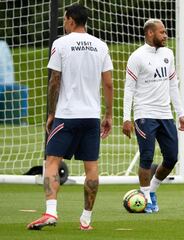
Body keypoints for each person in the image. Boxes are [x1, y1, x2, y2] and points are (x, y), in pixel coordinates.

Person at [27, 4, 113, 230]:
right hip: (91, 116)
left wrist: (51, 113)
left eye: (65, 19)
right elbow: (108, 83)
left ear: (71, 20)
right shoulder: (101, 45)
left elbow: (55, 80)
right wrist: (109, 114)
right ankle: (86, 220)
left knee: (52, 161)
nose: (64, 23)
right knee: (91, 167)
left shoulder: (61, 44)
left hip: (67, 114)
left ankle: (51, 213)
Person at [122, 18, 184, 213]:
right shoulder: (137, 57)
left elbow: (172, 85)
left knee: (171, 157)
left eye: (165, 32)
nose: (165, 35)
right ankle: (144, 197)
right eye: (162, 32)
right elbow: (129, 89)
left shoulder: (168, 54)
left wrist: (181, 113)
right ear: (150, 34)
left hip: (165, 114)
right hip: (144, 114)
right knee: (147, 157)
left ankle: (151, 190)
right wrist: (127, 117)